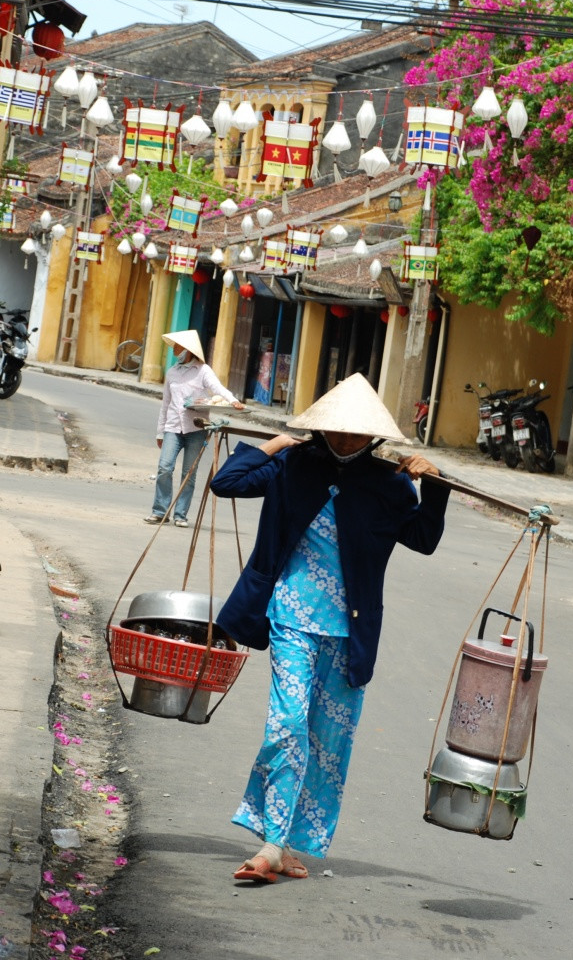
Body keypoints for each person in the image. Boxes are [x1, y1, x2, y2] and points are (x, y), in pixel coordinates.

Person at [209, 373, 448, 883]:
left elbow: (424, 539)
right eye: (336, 430)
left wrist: (436, 484)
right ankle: (272, 844)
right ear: (320, 428)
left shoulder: (389, 484)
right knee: (287, 724)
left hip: (349, 633)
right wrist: (272, 445)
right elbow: (226, 483)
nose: (345, 440)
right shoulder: (292, 465)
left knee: (325, 742)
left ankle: (288, 844)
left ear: (375, 437)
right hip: (290, 615)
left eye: (357, 433)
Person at [147, 330, 244, 529]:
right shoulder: (172, 372)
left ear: (189, 350)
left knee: (189, 473)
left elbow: (217, 389)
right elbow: (166, 404)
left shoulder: (203, 371)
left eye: (178, 346)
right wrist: (159, 432)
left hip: (197, 428)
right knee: (164, 468)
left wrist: (233, 400)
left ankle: (180, 514)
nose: (175, 349)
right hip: (173, 427)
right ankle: (160, 512)